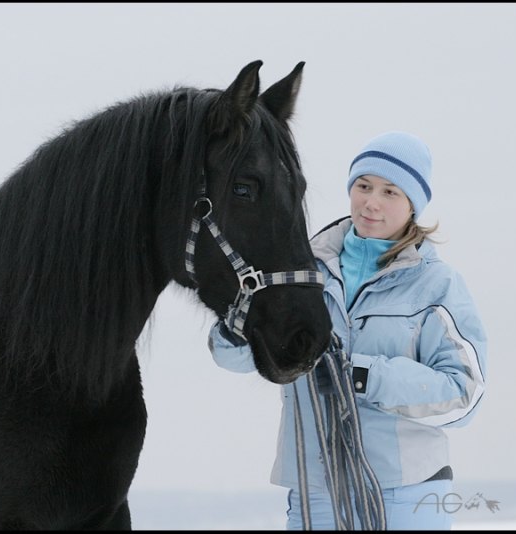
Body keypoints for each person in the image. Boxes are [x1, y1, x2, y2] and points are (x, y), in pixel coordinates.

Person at [208, 131, 487, 530]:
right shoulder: (302, 273)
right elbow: (237, 356)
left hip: (407, 494)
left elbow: (466, 395)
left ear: (413, 206)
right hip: (317, 492)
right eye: (364, 185)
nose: (371, 202)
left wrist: (365, 377)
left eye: (391, 192)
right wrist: (236, 326)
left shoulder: (436, 285)